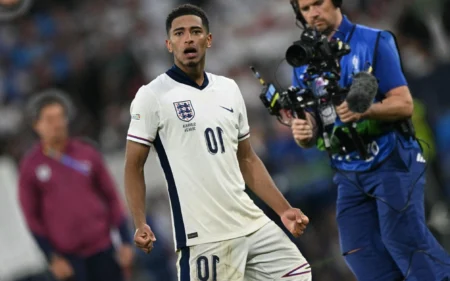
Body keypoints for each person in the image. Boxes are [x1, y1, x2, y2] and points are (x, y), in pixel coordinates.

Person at [124, 4, 312, 281]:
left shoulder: (228, 88)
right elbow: (133, 166)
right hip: (205, 236)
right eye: (179, 33)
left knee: (298, 274)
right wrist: (140, 222)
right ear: (169, 43)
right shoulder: (152, 96)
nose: (188, 38)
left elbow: (246, 158)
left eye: (196, 31)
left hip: (252, 223)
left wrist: (283, 209)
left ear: (208, 40)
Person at [288, 0, 450, 280]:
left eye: (318, 3)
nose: (313, 12)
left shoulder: (374, 41)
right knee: (358, 250)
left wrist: (366, 110)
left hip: (391, 155)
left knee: (403, 240)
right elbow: (314, 124)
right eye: (305, 8)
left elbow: (404, 104)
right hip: (348, 171)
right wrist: (303, 133)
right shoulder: (301, 62)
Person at [19, 90, 134, 281]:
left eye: (60, 117)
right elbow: (32, 217)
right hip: (69, 259)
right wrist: (52, 258)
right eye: (49, 119)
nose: (57, 124)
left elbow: (111, 197)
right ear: (36, 125)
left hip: (103, 248)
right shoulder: (31, 167)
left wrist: (125, 241)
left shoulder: (86, 153)